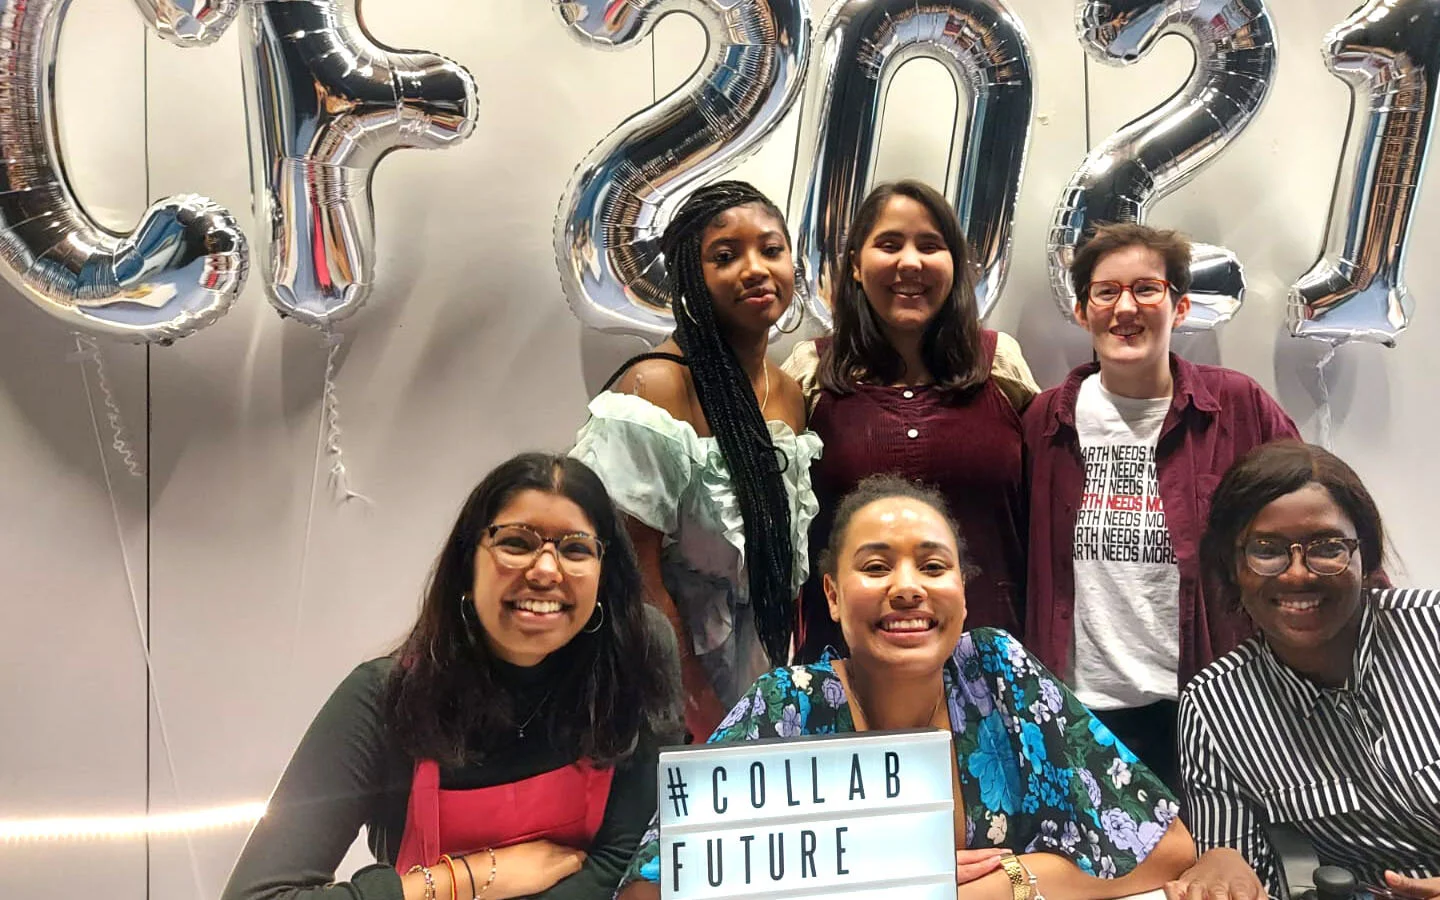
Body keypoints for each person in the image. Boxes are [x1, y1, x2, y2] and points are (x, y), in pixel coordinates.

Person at [618, 474, 1208, 900]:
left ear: (962, 590)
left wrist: (1003, 885)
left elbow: (1168, 849)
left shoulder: (1001, 676)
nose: (908, 588)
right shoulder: (785, 706)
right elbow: (647, 889)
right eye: (875, 568)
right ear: (830, 595)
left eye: (932, 567)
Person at [221, 452, 683, 900]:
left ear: (604, 575)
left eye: (576, 549)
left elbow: (629, 857)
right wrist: (471, 877)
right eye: (516, 543)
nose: (545, 571)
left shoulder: (636, 656)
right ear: (467, 566)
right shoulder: (382, 699)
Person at [1175, 441, 1440, 900]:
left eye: (1327, 547)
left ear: (1366, 556)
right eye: (1266, 549)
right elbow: (1238, 874)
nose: (1298, 574)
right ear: (1233, 565)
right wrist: (1219, 861)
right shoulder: (1217, 706)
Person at [1022, 222, 1300, 787]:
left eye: (1147, 288)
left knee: (1212, 868)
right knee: (1099, 874)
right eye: (1107, 292)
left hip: (1211, 709)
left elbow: (1317, 514)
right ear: (1082, 312)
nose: (1126, 307)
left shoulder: (1235, 406)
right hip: (1080, 710)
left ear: (1179, 307)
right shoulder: (1044, 422)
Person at [572, 181, 821, 742]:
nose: (755, 269)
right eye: (725, 256)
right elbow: (631, 572)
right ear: (691, 277)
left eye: (771, 250)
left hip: (758, 675)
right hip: (660, 686)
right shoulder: (657, 386)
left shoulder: (787, 393)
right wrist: (693, 698)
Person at [783, 179, 1038, 662]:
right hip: (849, 667)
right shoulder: (809, 374)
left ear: (955, 266)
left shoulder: (1001, 366)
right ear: (855, 266)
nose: (910, 263)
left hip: (992, 663)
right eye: (889, 244)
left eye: (930, 245)